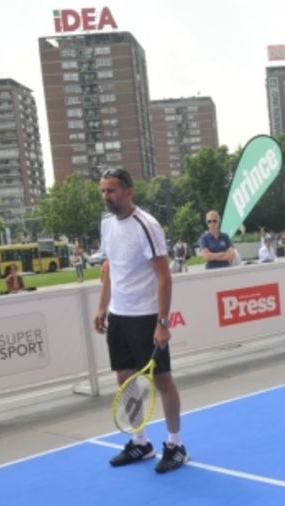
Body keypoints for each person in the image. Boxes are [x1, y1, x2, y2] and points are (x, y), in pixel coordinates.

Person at [93, 167, 187, 473]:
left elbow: (164, 276)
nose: (107, 196)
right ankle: (141, 442)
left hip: (146, 318)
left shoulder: (146, 225)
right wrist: (101, 307)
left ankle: (176, 445)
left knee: (162, 381)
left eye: (113, 190)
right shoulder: (107, 225)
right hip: (119, 318)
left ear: (129, 191)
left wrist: (162, 322)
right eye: (104, 191)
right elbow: (110, 270)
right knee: (126, 381)